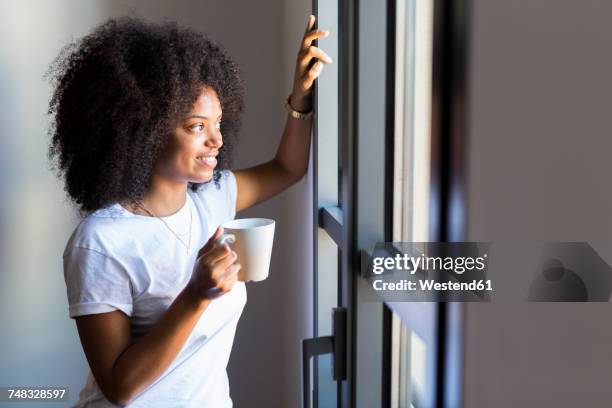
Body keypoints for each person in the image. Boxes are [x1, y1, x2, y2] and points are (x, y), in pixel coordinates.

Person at [47, 15, 331, 407]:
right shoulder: (100, 241)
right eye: (197, 126)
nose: (217, 139)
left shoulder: (212, 197)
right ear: (144, 129)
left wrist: (301, 93)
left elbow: (288, 168)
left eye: (218, 122)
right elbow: (118, 386)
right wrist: (195, 295)